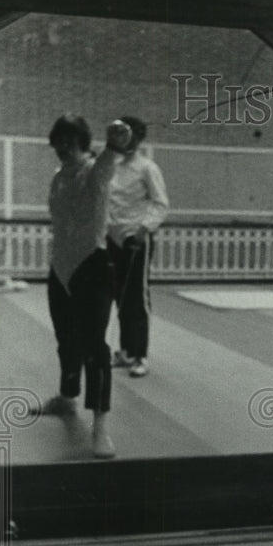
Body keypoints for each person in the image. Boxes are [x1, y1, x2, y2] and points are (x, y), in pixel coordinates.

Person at [34, 113, 132, 459]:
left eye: (70, 141)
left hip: (92, 268)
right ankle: (67, 397)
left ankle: (100, 427)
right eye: (59, 141)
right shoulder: (58, 176)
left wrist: (118, 139)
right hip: (60, 270)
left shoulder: (96, 171)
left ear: (82, 143)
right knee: (65, 340)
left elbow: (111, 156)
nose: (63, 147)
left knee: (95, 348)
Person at [107, 115, 169, 378]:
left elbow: (160, 203)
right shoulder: (111, 166)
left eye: (125, 134)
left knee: (137, 299)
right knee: (120, 296)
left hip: (136, 239)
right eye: (116, 134)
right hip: (113, 238)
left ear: (137, 137)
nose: (120, 139)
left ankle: (140, 355)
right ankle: (126, 351)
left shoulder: (147, 167)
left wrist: (144, 230)